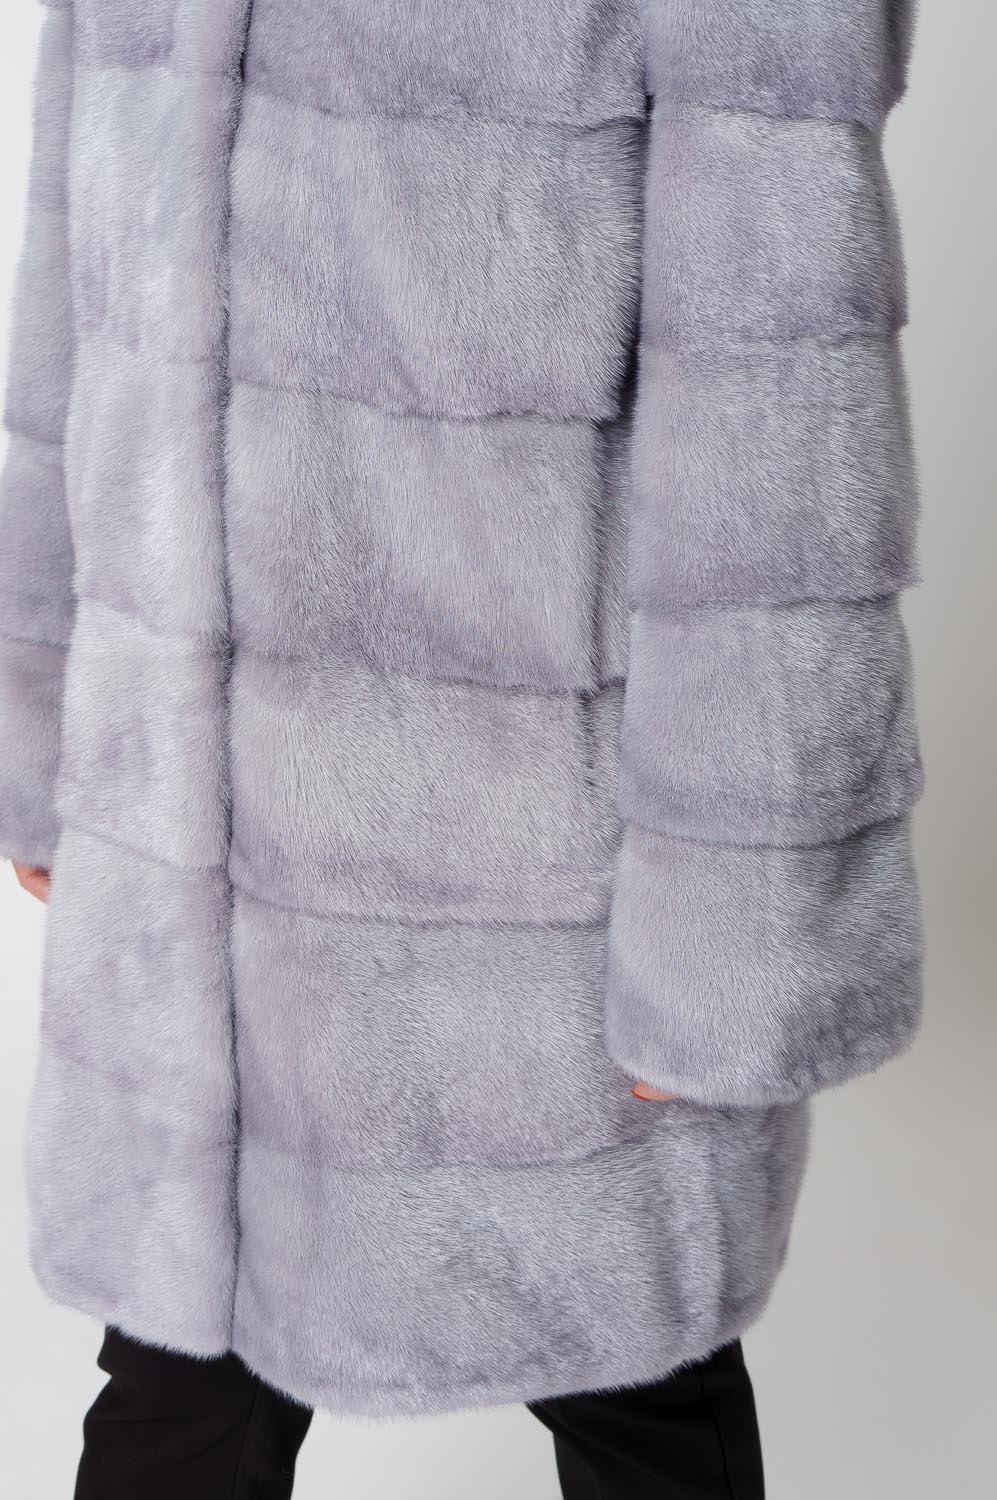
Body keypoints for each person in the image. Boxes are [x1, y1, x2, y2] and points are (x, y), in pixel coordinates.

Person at [1, 1, 922, 1496]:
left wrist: (730, 941)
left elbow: (781, 447)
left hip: (540, 884)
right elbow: (74, 312)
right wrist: (45, 718)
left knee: (636, 1382)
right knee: (179, 1388)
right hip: (190, 874)